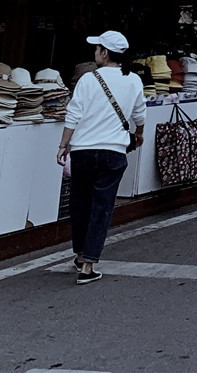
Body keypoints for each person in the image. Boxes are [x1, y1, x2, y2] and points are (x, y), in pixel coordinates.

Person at [57, 30, 146, 285]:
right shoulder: (133, 81)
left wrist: (64, 144)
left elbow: (73, 114)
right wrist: (138, 134)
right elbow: (140, 114)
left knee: (80, 204)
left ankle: (81, 253)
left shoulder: (87, 80)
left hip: (84, 151)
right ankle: (88, 265)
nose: (95, 52)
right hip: (113, 152)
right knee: (102, 206)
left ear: (104, 53)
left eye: (97, 49)